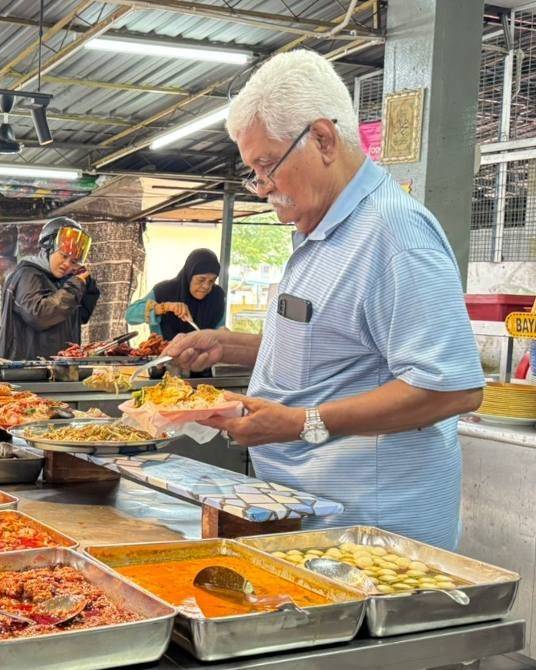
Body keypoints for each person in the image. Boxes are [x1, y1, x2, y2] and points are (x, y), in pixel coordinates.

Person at [164, 50, 483, 550]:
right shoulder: (322, 233)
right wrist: (228, 345)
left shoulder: (395, 235)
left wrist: (303, 422)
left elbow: (453, 390)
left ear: (322, 139)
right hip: (310, 515)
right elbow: (335, 343)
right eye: (254, 172)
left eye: (266, 167)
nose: (262, 188)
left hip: (373, 536)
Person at [0, 217, 100, 360]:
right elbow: (40, 316)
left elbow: (80, 316)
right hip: (24, 372)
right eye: (63, 256)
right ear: (47, 248)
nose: (67, 264)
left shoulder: (63, 281)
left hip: (55, 370)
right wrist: (75, 286)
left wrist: (87, 286)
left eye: (74, 261)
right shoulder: (27, 275)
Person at [126, 249, 226, 337]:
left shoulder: (217, 296)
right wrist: (166, 307)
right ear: (189, 275)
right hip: (164, 355)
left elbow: (219, 329)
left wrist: (225, 335)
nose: (206, 286)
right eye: (201, 279)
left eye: (212, 281)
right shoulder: (164, 291)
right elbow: (130, 316)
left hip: (203, 357)